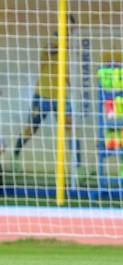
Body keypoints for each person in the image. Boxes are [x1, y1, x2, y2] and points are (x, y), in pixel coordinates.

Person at [12, 14, 77, 172]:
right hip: (42, 96)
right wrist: (64, 39)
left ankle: (78, 166)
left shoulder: (66, 47)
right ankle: (15, 157)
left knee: (71, 129)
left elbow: (62, 68)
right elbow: (52, 48)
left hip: (60, 97)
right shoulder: (52, 44)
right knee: (31, 129)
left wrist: (68, 81)